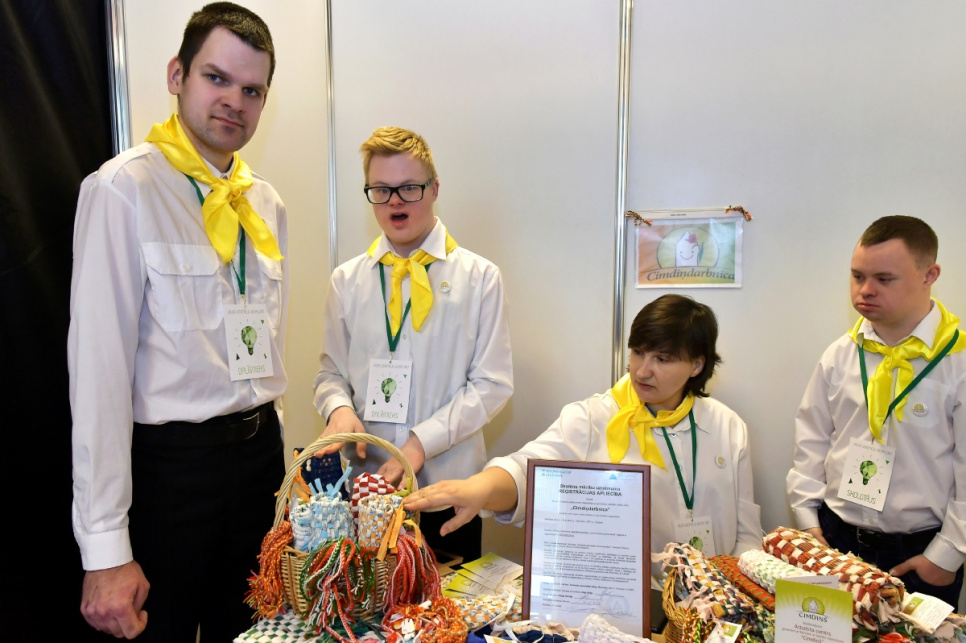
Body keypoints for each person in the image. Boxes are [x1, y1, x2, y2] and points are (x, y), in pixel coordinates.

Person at [68, 4, 286, 639]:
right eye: (217, 78)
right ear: (176, 75)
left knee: (251, 635)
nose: (234, 102)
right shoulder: (122, 190)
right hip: (170, 477)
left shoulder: (265, 203)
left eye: (252, 90)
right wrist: (105, 550)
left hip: (259, 468)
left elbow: (267, 351)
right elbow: (98, 375)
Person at [405, 294, 762, 587]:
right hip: (632, 603)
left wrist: (729, 598)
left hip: (718, 601)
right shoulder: (594, 418)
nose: (641, 370)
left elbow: (746, 535)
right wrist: (480, 488)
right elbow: (528, 470)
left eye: (662, 359)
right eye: (638, 352)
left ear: (696, 365)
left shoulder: (728, 427)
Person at [313, 126, 513, 562]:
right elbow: (330, 374)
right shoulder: (347, 281)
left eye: (409, 187)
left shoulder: (479, 278)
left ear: (434, 188)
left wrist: (420, 444)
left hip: (448, 495)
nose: (395, 202)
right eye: (381, 190)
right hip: (367, 495)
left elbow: (492, 385)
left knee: (445, 605)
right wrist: (339, 409)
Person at [787, 215, 966, 606]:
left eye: (884, 279)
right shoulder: (840, 354)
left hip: (919, 553)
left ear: (929, 275)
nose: (865, 290)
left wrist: (946, 555)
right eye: (857, 276)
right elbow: (811, 441)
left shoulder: (958, 362)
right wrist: (808, 523)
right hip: (832, 540)